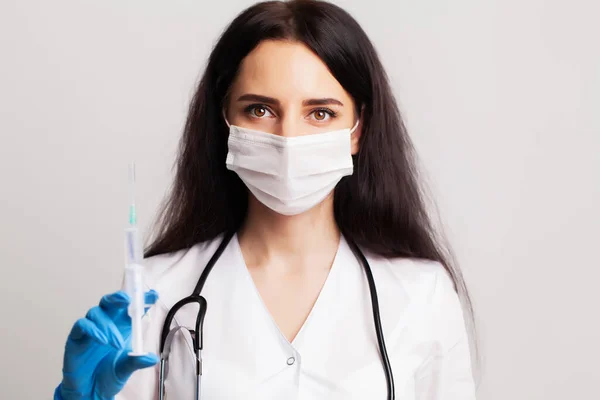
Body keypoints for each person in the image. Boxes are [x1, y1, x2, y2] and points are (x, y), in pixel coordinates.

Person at [54, 0, 477, 399]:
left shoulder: (423, 294)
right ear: (225, 122)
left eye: (320, 113)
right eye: (260, 109)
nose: (288, 138)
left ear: (359, 129)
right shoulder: (158, 292)